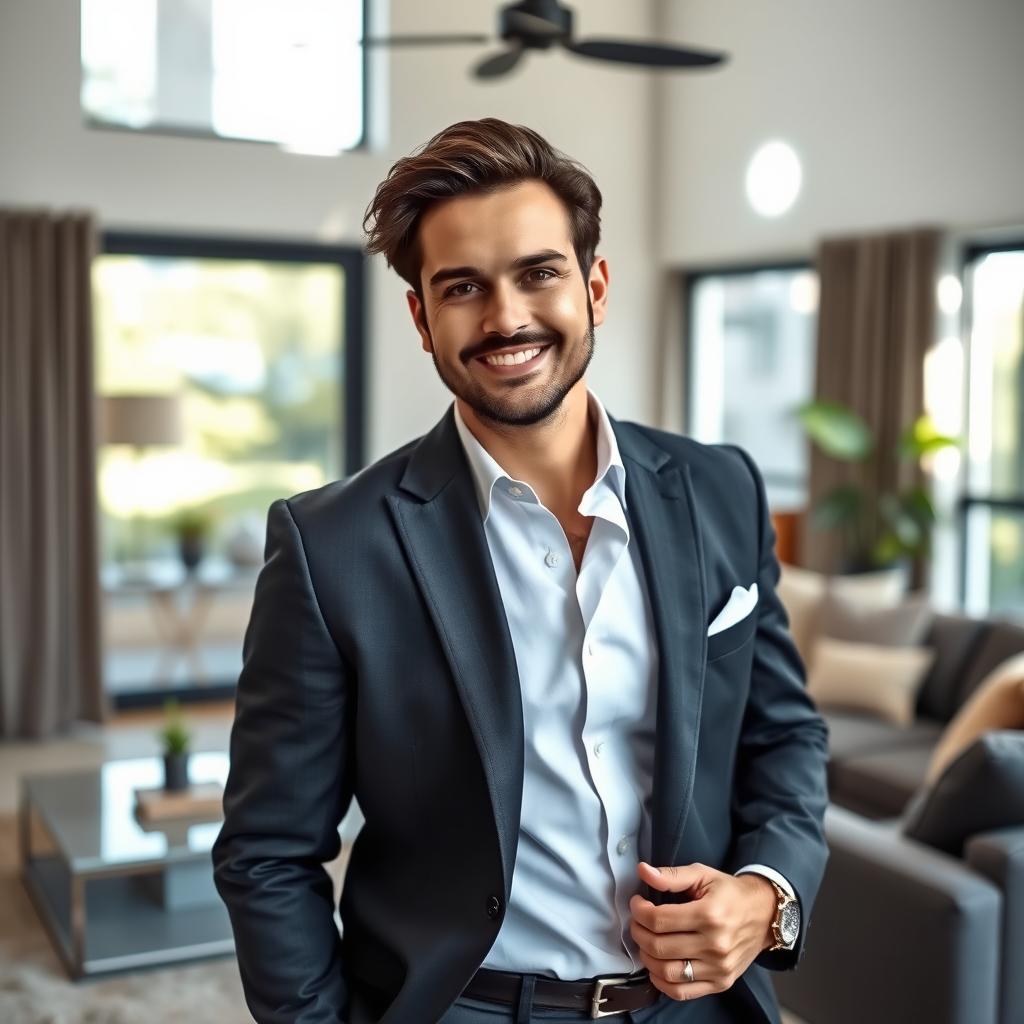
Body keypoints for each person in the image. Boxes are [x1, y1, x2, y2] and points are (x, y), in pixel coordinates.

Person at [212, 117, 830, 1024]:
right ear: (422, 318)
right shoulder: (330, 546)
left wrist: (765, 894)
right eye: (463, 287)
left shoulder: (720, 489)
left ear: (596, 286)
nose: (506, 318)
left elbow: (784, 738)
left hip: (702, 1008)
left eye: (539, 272)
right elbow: (268, 852)